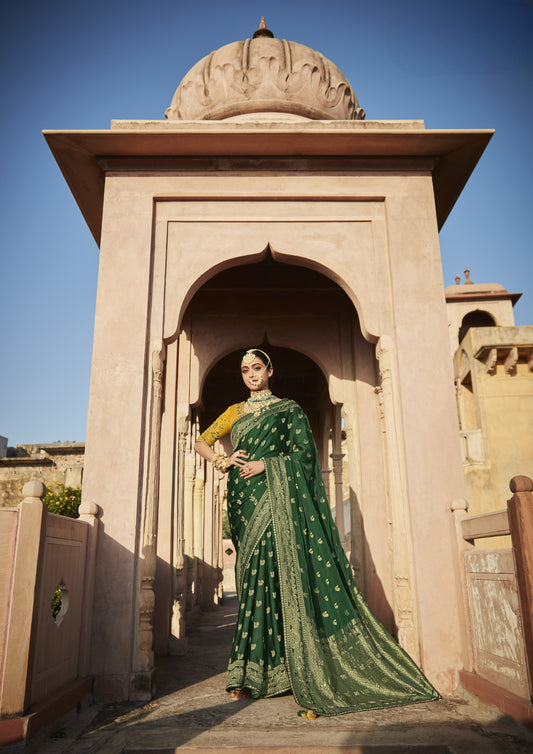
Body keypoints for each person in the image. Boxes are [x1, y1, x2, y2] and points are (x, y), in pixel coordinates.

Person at [194, 348, 439, 717]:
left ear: (270, 370)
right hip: (244, 503)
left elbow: (305, 457)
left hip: (276, 498)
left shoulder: (289, 409)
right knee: (253, 582)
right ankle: (249, 674)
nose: (251, 375)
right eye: (245, 370)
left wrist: (266, 464)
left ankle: (292, 668)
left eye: (257, 368)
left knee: (279, 577)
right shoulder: (233, 412)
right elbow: (203, 439)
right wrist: (221, 460)